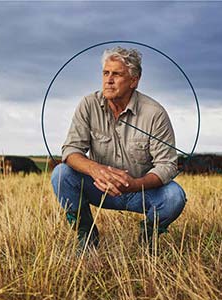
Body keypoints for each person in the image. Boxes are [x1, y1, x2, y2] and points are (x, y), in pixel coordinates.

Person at [51, 46, 186, 252]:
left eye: (117, 74)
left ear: (134, 80)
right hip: (100, 188)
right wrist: (96, 169)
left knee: (174, 196)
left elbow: (167, 165)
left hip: (142, 191)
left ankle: (147, 240)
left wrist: (135, 184)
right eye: (106, 73)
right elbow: (70, 150)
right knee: (61, 174)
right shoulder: (88, 105)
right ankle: (86, 236)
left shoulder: (154, 113)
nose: (108, 80)